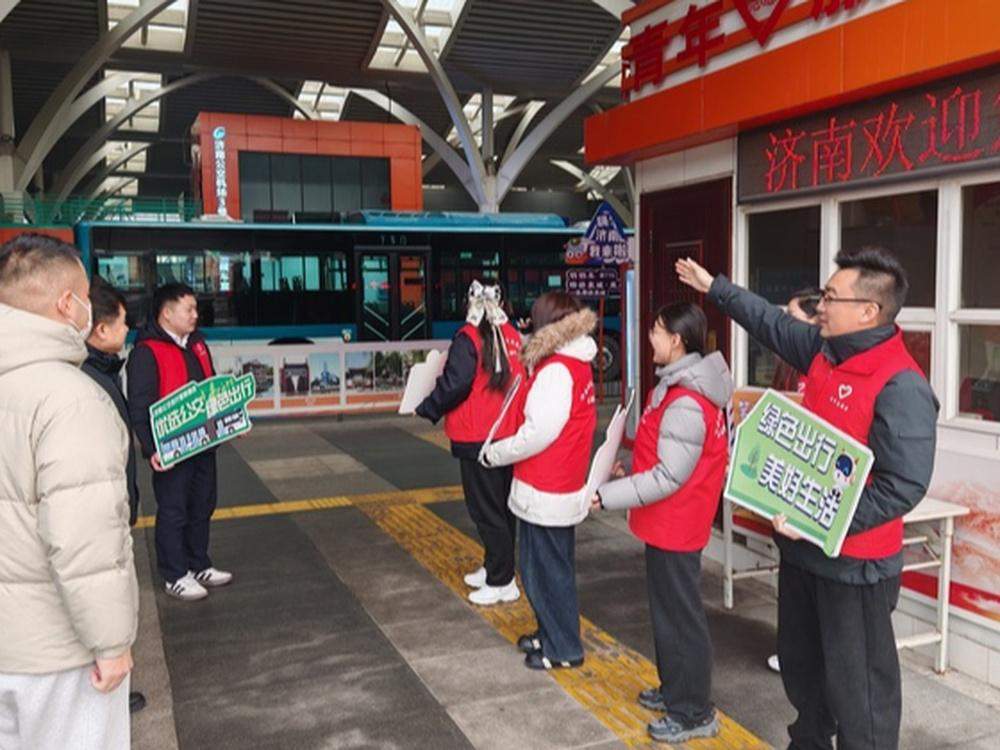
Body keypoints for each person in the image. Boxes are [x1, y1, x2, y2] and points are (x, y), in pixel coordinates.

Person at [677, 247, 938, 750]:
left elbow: (903, 484)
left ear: (868, 311)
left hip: (855, 568)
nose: (820, 307)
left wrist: (823, 519)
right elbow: (770, 324)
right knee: (803, 671)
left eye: (831, 298)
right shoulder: (825, 351)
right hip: (802, 555)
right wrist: (716, 288)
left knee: (860, 695)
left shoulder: (901, 384)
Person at [0, 233, 138, 750]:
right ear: (66, 305)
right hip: (57, 656)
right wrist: (111, 642)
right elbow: (84, 537)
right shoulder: (72, 400)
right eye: (85, 299)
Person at [593, 303, 733, 744]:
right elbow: (664, 456)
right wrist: (628, 465)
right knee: (668, 613)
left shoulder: (687, 400)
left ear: (676, 340)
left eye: (656, 330)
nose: (649, 336)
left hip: (677, 523)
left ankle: (694, 712)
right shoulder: (677, 387)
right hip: (668, 522)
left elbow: (670, 476)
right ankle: (675, 689)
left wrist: (606, 496)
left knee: (680, 618)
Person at [482, 292, 598, 671]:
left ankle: (563, 648)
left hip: (546, 486)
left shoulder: (556, 371)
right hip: (561, 482)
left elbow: (538, 433)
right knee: (549, 568)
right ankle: (551, 632)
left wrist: (497, 453)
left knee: (543, 572)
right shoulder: (576, 364)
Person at [416, 281, 526, 605]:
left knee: (486, 511)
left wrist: (428, 406)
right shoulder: (511, 334)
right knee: (502, 509)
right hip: (506, 433)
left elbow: (455, 383)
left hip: (478, 436)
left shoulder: (469, 337)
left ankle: (501, 580)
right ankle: (496, 566)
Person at [127, 283, 232, 601]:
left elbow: (212, 389)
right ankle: (174, 574)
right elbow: (140, 405)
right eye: (189, 309)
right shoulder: (146, 352)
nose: (195, 315)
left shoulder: (198, 344)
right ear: (167, 313)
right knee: (174, 510)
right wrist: (151, 447)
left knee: (202, 505)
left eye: (195, 309)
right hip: (172, 450)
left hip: (204, 443)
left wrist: (231, 420)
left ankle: (198, 564)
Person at [81, 276, 148, 715]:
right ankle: (106, 690)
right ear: (101, 329)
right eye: (123, 322)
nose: (128, 330)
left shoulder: (101, 372)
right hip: (101, 523)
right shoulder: (87, 382)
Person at [767, 286, 821, 675]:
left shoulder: (822, 366)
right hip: (787, 485)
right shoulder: (790, 365)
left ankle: (807, 654)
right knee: (791, 575)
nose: (785, 326)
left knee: (813, 581)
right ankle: (792, 651)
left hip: (813, 490)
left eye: (793, 318)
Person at [770, 287, 821, 395]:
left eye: (791, 317)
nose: (785, 324)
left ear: (815, 320)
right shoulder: (786, 357)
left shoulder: (824, 361)